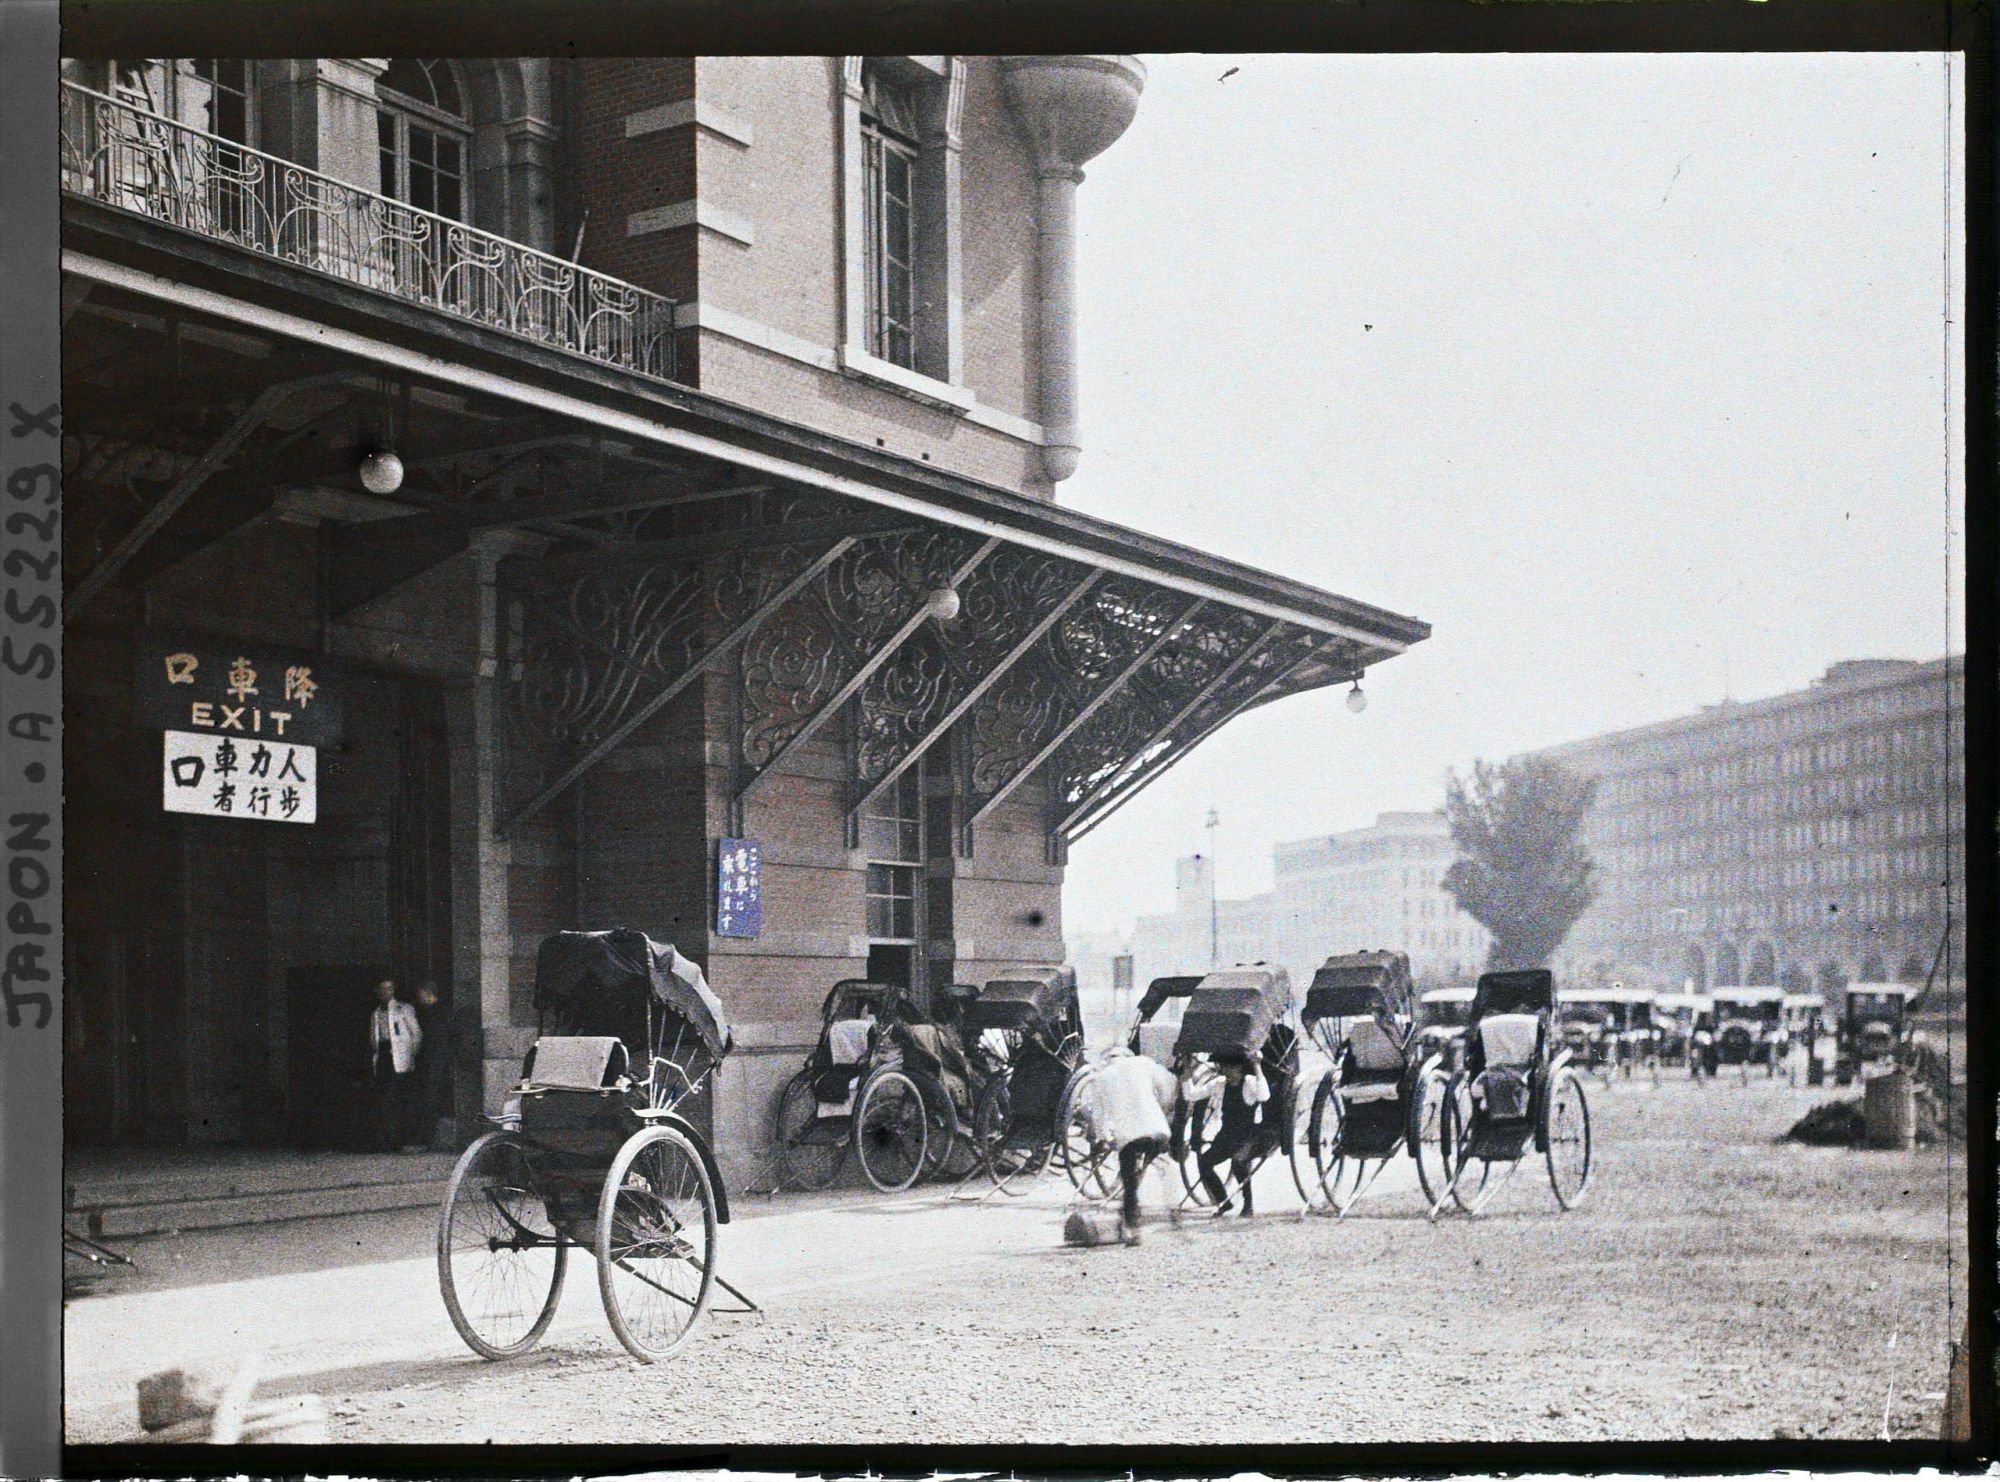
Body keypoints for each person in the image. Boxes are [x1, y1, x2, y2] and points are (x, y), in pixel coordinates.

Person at [1085, 1045, 1178, 1245]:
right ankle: (1173, 1210)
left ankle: (1133, 1230)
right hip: (1156, 1128)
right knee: (1165, 1167)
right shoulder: (1143, 1063)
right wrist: (1162, 1106)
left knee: (1130, 1184)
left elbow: (1099, 1115)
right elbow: (1170, 1083)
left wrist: (1104, 1138)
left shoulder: (1101, 1077)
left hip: (1128, 1136)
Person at [1184, 1052, 1268, 1217]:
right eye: (1224, 1067)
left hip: (1249, 1135)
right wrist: (1187, 1070)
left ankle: (1248, 1203)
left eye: (1230, 1067)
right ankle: (1223, 1202)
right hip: (1227, 1135)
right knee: (1205, 1163)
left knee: (1238, 1162)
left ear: (1240, 1068)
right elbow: (1191, 1095)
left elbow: (1264, 1096)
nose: (1227, 1071)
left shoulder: (1249, 1082)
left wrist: (1258, 1067)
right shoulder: (1220, 1084)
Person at [368, 978, 423, 1151]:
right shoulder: (376, 1013)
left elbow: (416, 1034)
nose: (386, 993)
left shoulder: (403, 1009)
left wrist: (409, 1056)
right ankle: (386, 1140)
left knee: (399, 1098)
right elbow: (373, 1038)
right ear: (378, 991)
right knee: (384, 1099)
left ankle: (402, 1139)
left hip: (400, 1058)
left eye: (390, 989)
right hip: (384, 1056)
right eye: (383, 989)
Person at [413, 981, 454, 1149]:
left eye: (420, 994)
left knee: (431, 1101)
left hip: (436, 1063)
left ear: (426, 993)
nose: (418, 997)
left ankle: (428, 1141)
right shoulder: (432, 1012)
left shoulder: (439, 1013)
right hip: (434, 1062)